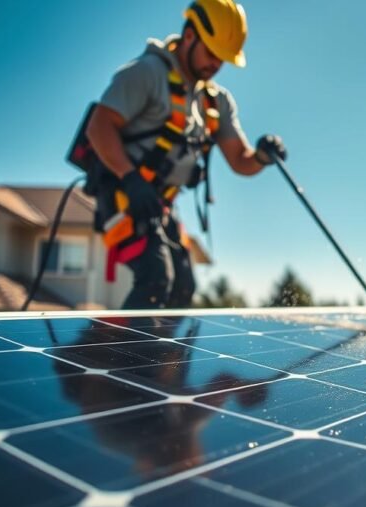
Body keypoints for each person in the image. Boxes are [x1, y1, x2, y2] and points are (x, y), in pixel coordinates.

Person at [84, 0, 287, 309]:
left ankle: (164, 357)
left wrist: (261, 156)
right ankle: (120, 356)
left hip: (160, 204)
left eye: (223, 59)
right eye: (212, 53)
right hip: (125, 196)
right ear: (190, 36)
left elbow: (240, 161)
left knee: (183, 286)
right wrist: (130, 178)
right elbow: (99, 127)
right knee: (155, 279)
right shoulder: (146, 73)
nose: (216, 65)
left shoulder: (216, 103)